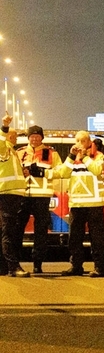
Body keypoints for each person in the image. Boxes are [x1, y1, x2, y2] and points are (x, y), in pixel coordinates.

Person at [53, 132, 104, 277]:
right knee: (74, 238)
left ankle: (100, 267)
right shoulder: (72, 158)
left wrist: (84, 157)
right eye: (77, 140)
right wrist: (71, 157)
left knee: (97, 238)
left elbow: (97, 170)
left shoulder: (98, 155)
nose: (79, 143)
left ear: (89, 142)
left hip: (94, 204)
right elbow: (63, 173)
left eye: (83, 140)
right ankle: (76, 266)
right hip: (77, 204)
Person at [17, 124, 61, 273]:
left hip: (42, 196)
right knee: (17, 229)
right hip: (22, 195)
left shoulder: (51, 153)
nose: (35, 139)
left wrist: (42, 172)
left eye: (37, 136)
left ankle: (37, 263)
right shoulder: (20, 152)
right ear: (28, 138)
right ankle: (15, 262)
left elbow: (60, 171)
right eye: (32, 136)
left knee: (41, 231)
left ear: (42, 137)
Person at [0, 114, 29, 277]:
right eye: (15, 135)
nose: (17, 137)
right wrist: (4, 125)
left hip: (12, 194)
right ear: (9, 136)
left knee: (4, 231)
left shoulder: (11, 151)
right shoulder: (4, 147)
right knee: (9, 232)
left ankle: (3, 267)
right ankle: (13, 267)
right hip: (7, 193)